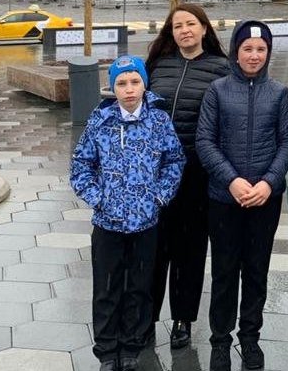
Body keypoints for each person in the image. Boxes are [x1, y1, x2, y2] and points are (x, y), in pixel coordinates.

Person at [70, 56, 185, 371]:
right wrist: (99, 198)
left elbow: (175, 161)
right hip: (109, 224)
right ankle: (107, 351)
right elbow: (81, 165)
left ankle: (132, 346)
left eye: (135, 82)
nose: (129, 89)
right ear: (113, 87)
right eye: (122, 83)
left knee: (139, 287)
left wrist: (160, 196)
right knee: (106, 289)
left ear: (144, 83)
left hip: (146, 223)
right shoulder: (100, 122)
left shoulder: (159, 122)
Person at [195, 20, 288, 371]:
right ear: (236, 51)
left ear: (268, 53)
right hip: (225, 198)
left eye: (261, 49)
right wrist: (232, 180)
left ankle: (250, 338)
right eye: (248, 49)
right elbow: (205, 141)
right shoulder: (217, 91)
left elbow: (286, 143)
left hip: (264, 200)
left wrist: (268, 182)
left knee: (256, 271)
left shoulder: (278, 92)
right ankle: (220, 340)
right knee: (224, 271)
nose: (254, 55)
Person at [143, 4, 231, 351]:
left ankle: (183, 319)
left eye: (191, 24)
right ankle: (146, 319)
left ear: (205, 29)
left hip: (197, 172)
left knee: (190, 249)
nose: (184, 31)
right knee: (154, 248)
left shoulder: (222, 69)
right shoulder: (158, 66)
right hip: (157, 171)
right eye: (177, 25)